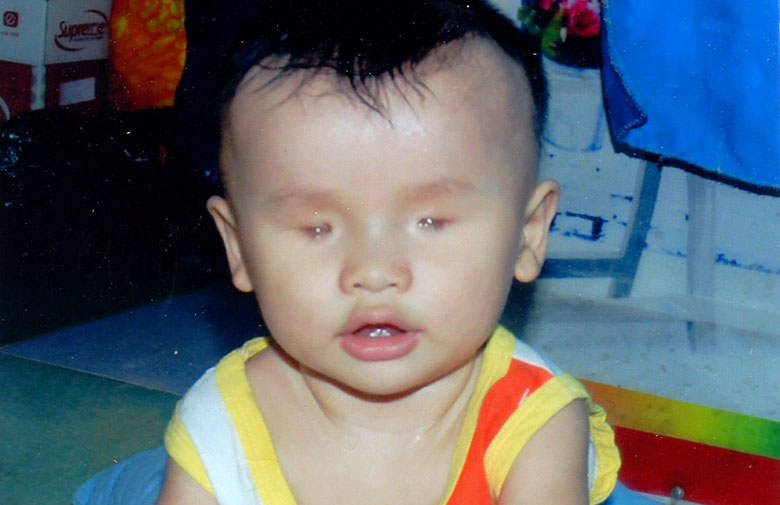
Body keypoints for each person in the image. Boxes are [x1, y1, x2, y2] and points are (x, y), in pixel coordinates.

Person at [155, 1, 620, 504]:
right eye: (317, 228)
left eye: (430, 222)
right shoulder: (221, 424)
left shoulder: (536, 421)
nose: (374, 272)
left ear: (527, 234)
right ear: (239, 246)